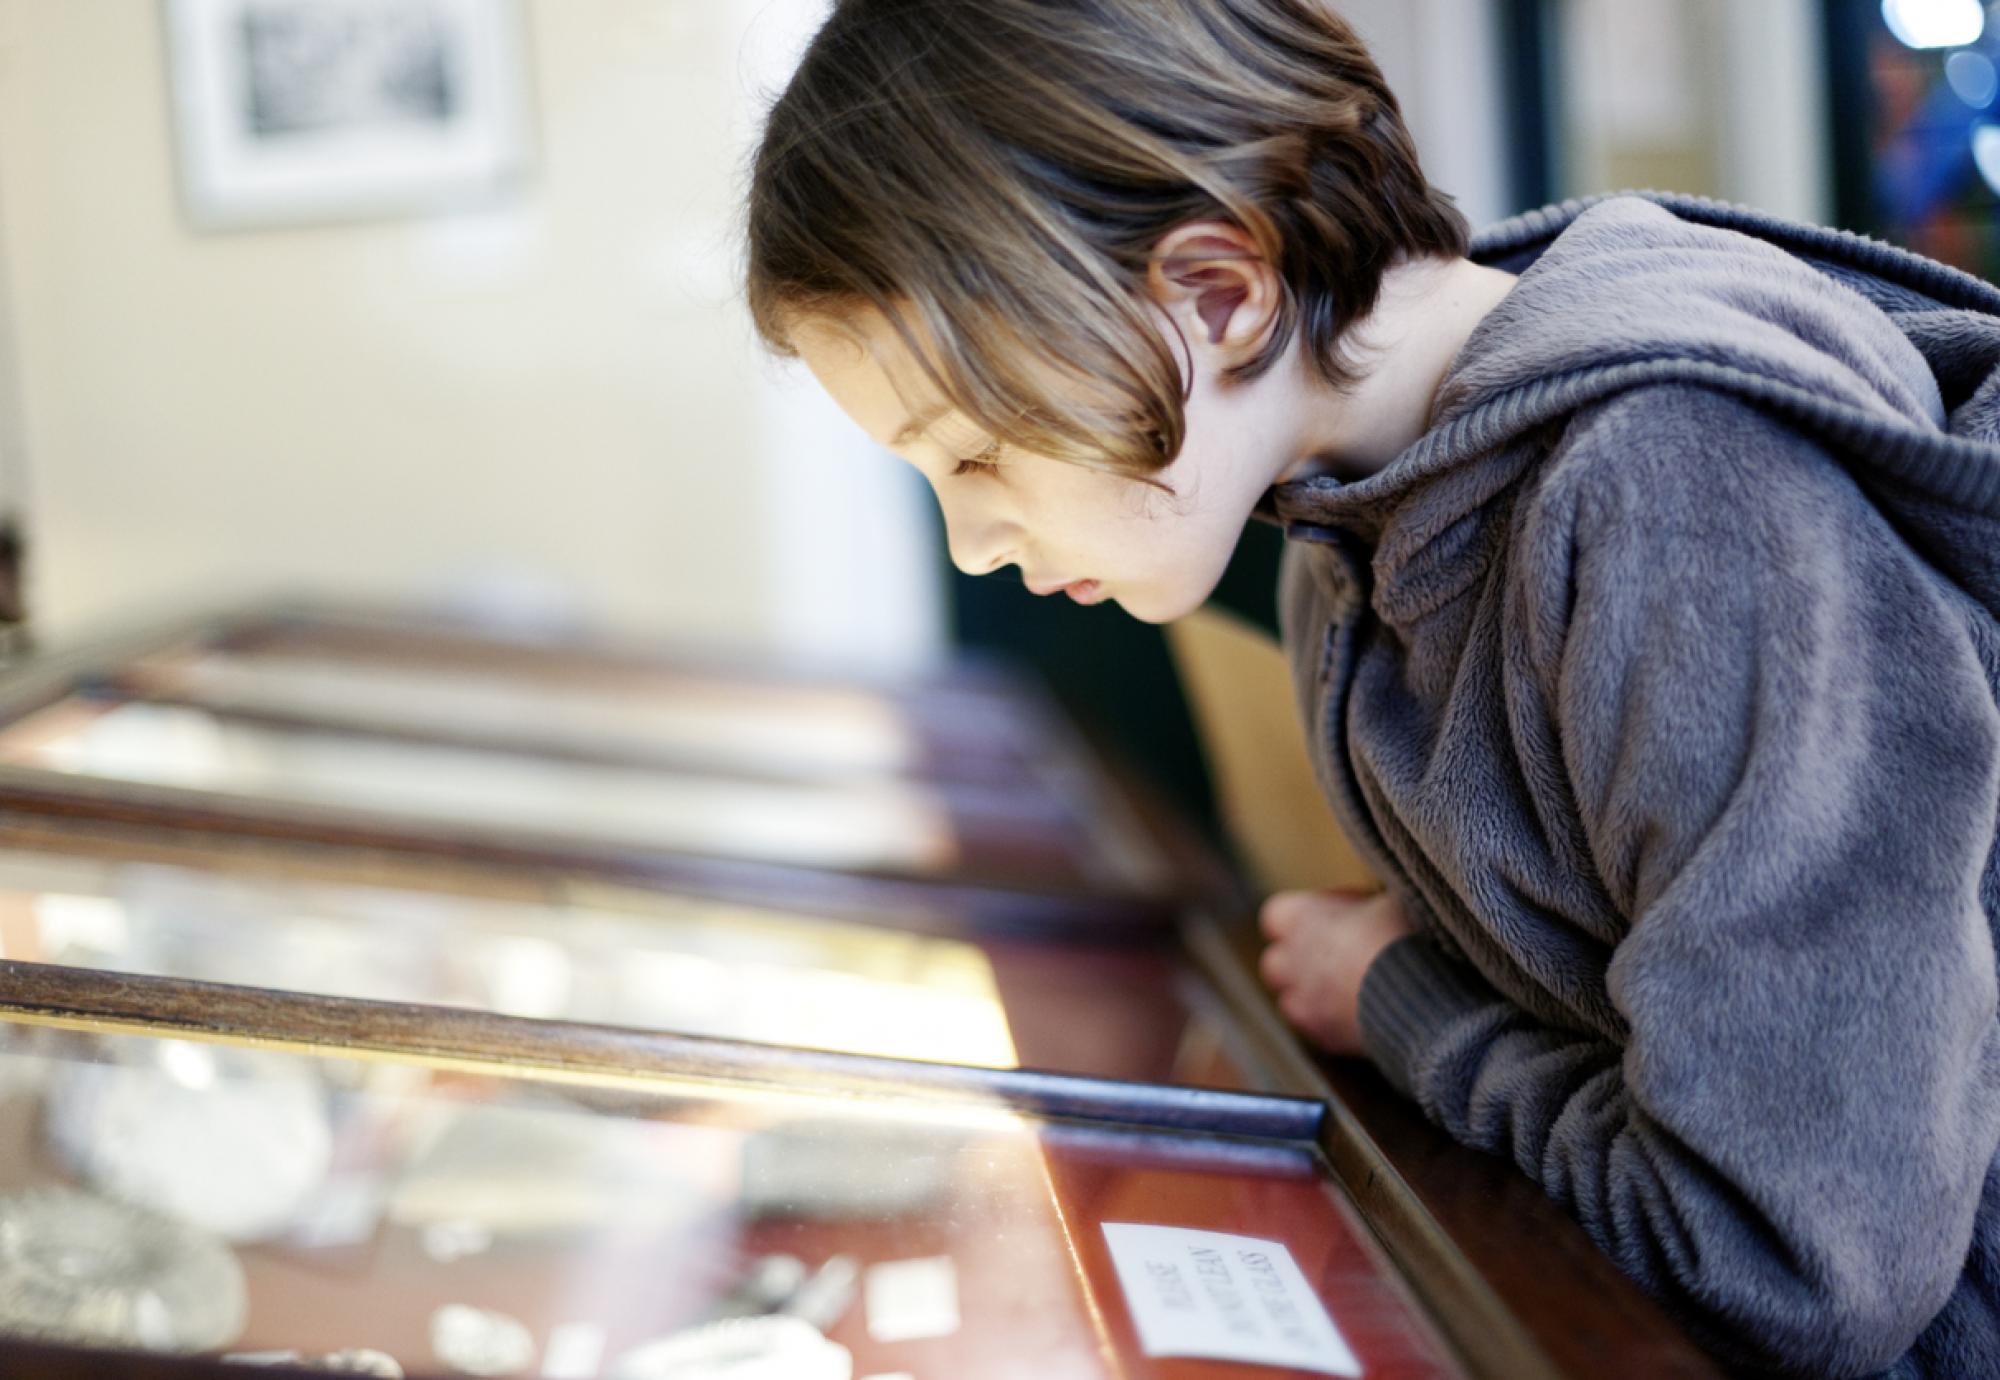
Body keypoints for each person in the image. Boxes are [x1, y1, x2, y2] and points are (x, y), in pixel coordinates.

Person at [742, 2, 2000, 1375]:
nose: (973, 541)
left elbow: (1780, 1262)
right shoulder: (1339, 537)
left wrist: (1399, 1003)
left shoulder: (1680, 497)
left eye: (977, 453)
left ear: (1221, 294)